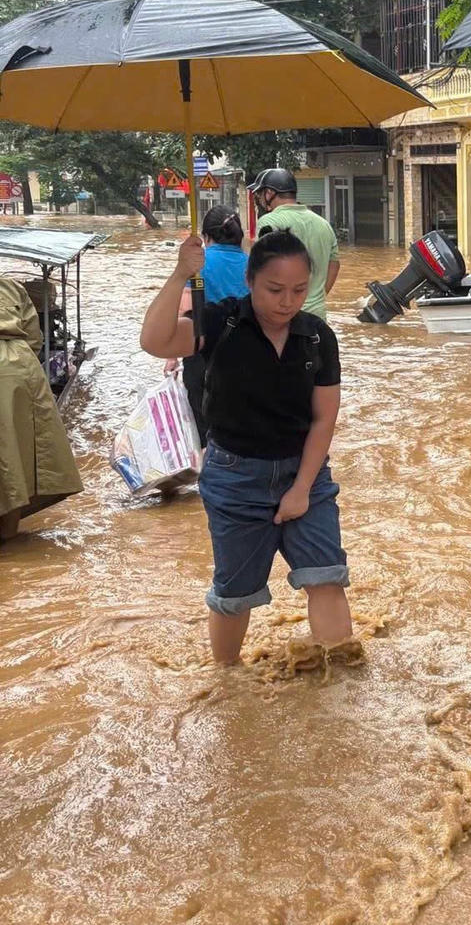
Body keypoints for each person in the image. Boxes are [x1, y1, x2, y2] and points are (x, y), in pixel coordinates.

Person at [139, 229, 351, 666]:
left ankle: (343, 691)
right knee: (235, 594)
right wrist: (181, 273)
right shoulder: (221, 323)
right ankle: (228, 684)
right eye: (275, 289)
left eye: (298, 290)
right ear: (251, 281)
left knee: (327, 577)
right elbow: (155, 342)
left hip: (304, 474)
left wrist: (302, 490)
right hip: (234, 477)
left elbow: (324, 419)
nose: (287, 301)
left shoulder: (316, 337)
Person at [0, 277, 82, 542]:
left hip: (15, 371)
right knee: (19, 457)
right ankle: (9, 535)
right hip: (21, 370)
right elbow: (35, 338)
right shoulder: (11, 287)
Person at [169, 205, 250, 444]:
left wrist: (171, 356)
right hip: (249, 353)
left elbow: (185, 311)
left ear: (206, 237)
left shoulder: (197, 266)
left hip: (202, 354)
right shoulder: (255, 264)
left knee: (204, 426)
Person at [250, 168, 340, 321]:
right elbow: (335, 265)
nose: (259, 199)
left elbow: (263, 267)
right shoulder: (323, 224)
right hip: (317, 317)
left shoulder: (269, 221)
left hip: (283, 316)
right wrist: (317, 296)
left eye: (260, 194)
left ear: (270, 193)